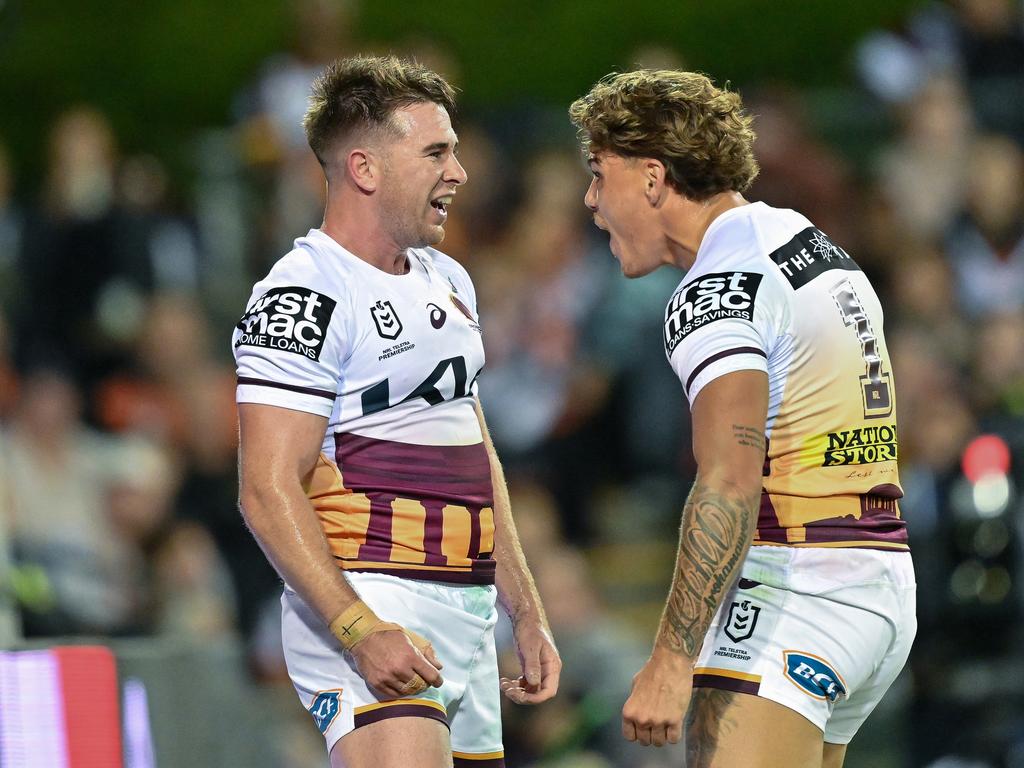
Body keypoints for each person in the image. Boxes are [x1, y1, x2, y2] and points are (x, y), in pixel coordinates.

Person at [568, 70, 916, 767]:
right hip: (881, 584)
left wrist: (671, 658)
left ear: (652, 178)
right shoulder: (808, 242)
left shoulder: (716, 289)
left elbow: (729, 481)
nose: (590, 200)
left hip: (797, 592)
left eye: (600, 175)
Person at [234, 55, 560, 768]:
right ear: (365, 169)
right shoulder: (305, 292)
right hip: (376, 594)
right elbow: (265, 487)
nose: (460, 172)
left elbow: (472, 448)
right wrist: (358, 627)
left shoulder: (449, 279)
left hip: (466, 613)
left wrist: (525, 607)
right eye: (437, 152)